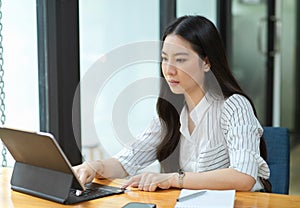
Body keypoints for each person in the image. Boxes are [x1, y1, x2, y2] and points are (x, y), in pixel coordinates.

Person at [73, 15, 271, 193]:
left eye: (180, 60)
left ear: (206, 63)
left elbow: (243, 177)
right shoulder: (170, 112)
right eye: (165, 59)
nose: (169, 70)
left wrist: (173, 179)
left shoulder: (234, 106)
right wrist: (94, 167)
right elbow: (127, 161)